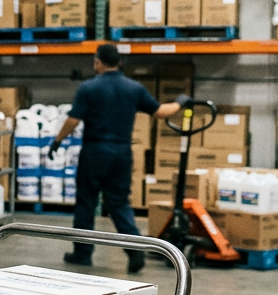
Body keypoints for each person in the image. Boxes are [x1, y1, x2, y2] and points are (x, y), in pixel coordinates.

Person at [47, 44, 185, 272]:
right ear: (119, 62)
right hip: (121, 154)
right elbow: (161, 112)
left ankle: (82, 254)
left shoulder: (88, 88)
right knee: (119, 203)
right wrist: (180, 101)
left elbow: (73, 120)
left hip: (94, 153)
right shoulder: (134, 88)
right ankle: (135, 250)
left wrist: (58, 140)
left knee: (86, 204)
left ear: (97, 62)